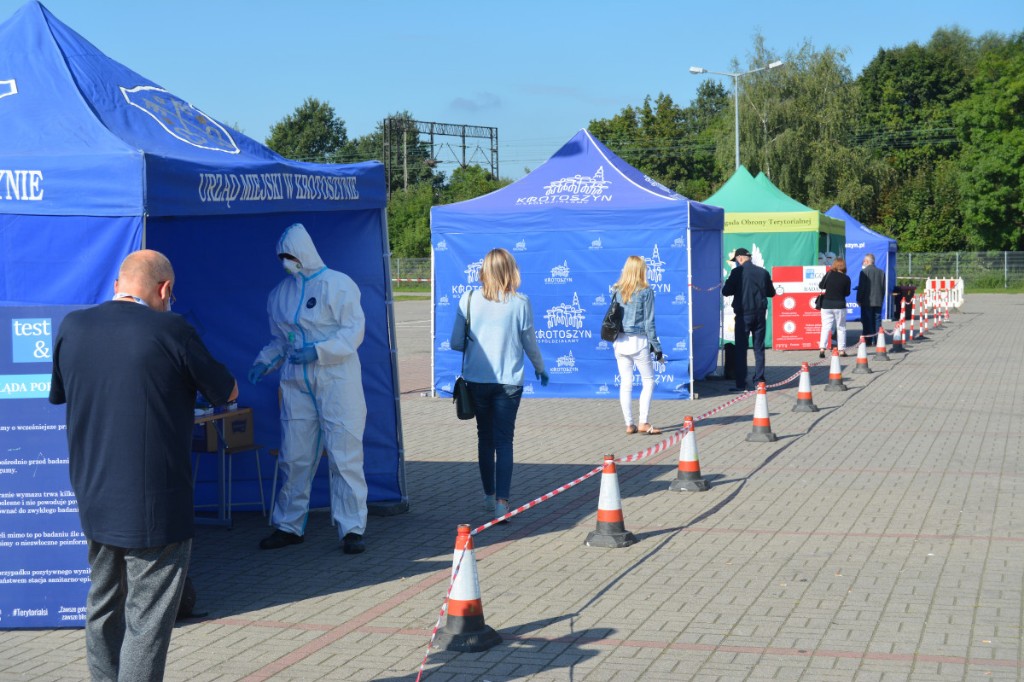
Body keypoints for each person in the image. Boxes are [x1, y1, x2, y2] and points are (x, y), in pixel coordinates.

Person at [49, 250, 238, 682]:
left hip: (94, 495)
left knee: (102, 604)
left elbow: (63, 394)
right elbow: (225, 390)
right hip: (157, 502)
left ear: (118, 285)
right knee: (147, 619)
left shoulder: (74, 327)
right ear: (164, 289)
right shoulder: (172, 328)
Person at [249, 223, 369, 555]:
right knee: (295, 456)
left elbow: (353, 332)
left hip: (336, 379)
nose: (286, 262)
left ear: (304, 253)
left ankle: (352, 528)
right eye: (282, 257)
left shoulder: (338, 285)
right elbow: (279, 340)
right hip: (295, 382)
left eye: (290, 255)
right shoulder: (280, 294)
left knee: (344, 455)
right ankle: (289, 525)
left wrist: (319, 351)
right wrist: (265, 361)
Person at [450, 248, 548, 520]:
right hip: (509, 382)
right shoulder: (520, 302)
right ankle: (502, 503)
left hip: (477, 380)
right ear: (510, 271)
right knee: (504, 442)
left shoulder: (468, 299)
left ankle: (488, 495)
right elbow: (530, 343)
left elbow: (455, 342)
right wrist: (540, 368)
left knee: (485, 438)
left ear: (484, 270)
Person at [610, 255, 664, 435]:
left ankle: (629, 424)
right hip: (638, 342)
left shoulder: (617, 289)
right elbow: (649, 323)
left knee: (626, 383)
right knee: (648, 381)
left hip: (620, 341)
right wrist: (657, 348)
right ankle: (643, 422)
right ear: (641, 270)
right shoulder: (646, 291)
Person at [721, 247, 776, 392]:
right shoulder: (762, 272)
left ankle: (741, 384)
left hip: (743, 315)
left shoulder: (737, 272)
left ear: (739, 258)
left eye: (736, 261)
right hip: (759, 315)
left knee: (741, 349)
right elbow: (771, 292)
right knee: (759, 348)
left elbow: (726, 291)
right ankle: (759, 381)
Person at [818, 256, 852, 357]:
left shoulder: (829, 274)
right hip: (839, 305)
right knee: (841, 328)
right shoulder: (846, 278)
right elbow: (847, 293)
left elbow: (821, 286)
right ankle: (841, 350)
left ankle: (822, 349)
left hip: (826, 304)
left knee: (825, 327)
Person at [857, 253, 886, 342]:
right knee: (877, 320)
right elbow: (883, 287)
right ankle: (878, 339)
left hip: (867, 301)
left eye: (864, 261)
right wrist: (881, 298)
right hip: (878, 300)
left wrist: (859, 299)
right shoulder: (881, 272)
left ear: (867, 261)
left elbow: (861, 287)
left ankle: (869, 340)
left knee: (867, 320)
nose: (863, 263)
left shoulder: (864, 272)